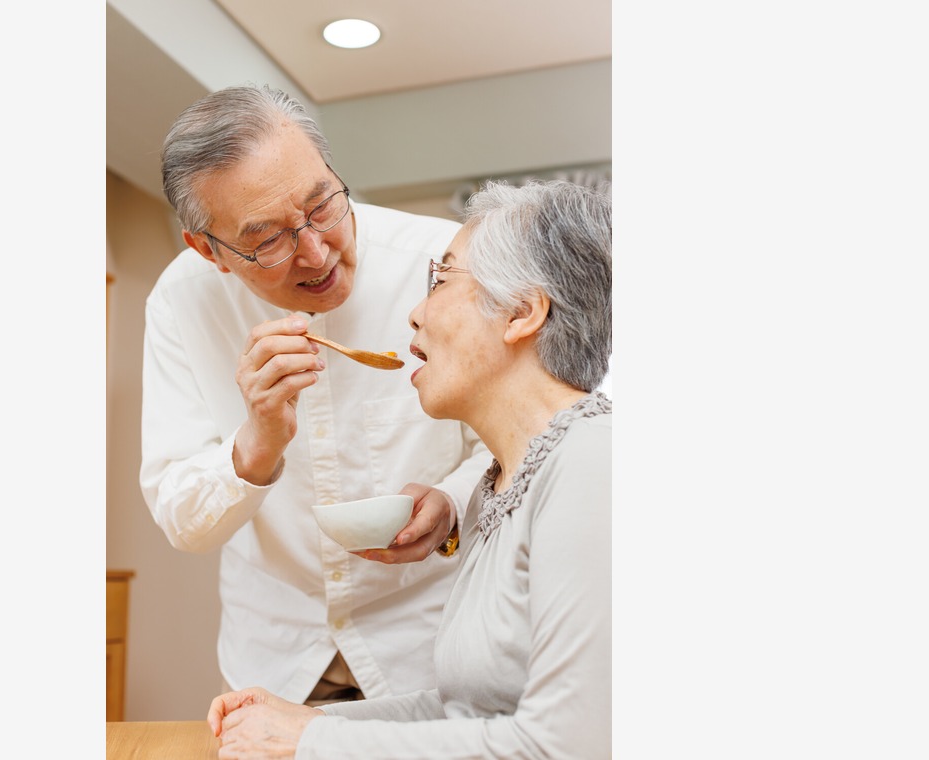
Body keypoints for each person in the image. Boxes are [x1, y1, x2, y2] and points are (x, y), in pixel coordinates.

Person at [206, 178, 613, 759]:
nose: (415, 313)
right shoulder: (498, 484)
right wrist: (301, 719)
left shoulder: (592, 463)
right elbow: (464, 711)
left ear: (521, 313)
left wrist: (308, 741)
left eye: (441, 280)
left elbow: (565, 746)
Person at [139, 84, 495, 707]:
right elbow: (181, 519)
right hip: (274, 662)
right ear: (209, 250)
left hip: (433, 656)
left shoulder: (444, 265)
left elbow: (519, 441)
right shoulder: (181, 301)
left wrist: (452, 502)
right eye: (266, 240)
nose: (316, 250)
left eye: (322, 204)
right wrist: (257, 443)